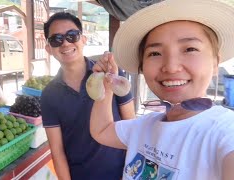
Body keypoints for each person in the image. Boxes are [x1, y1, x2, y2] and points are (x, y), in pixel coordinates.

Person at [90, 0, 234, 179]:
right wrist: (106, 84)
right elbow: (101, 131)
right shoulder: (145, 126)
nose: (171, 67)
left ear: (215, 63)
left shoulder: (225, 131)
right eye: (155, 53)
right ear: (142, 67)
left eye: (190, 49)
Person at [41, 12, 135, 179]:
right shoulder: (49, 95)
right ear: (49, 48)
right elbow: (58, 152)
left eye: (72, 35)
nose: (65, 43)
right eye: (56, 39)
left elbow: (131, 128)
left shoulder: (110, 73)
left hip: (119, 172)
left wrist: (130, 172)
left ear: (83, 39)